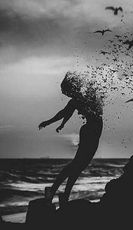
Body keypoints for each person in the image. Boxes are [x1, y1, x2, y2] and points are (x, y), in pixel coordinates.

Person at [38, 73, 103, 206]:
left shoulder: (77, 99)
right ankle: (56, 191)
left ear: (71, 89)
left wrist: (60, 124)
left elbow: (66, 113)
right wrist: (50, 122)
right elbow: (65, 113)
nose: (66, 94)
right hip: (91, 130)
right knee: (77, 164)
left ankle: (62, 193)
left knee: (78, 165)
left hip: (91, 130)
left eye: (66, 92)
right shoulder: (79, 98)